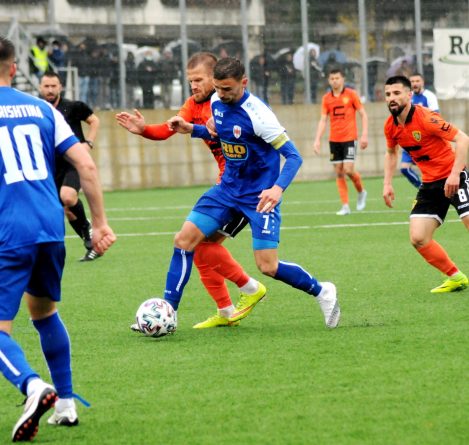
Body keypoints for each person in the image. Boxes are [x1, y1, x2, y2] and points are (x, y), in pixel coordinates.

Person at [167, 57, 340, 329]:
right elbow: (224, 136)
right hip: (227, 189)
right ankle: (168, 312)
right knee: (184, 240)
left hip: (258, 197)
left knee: (268, 266)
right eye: (217, 88)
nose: (221, 94)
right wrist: (193, 129)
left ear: (244, 83)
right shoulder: (216, 102)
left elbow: (293, 157)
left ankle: (322, 291)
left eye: (227, 89)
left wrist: (277, 189)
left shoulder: (260, 116)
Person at [0, 36, 115, 442]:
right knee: (44, 312)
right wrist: (99, 224)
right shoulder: (43, 108)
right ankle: (65, 404)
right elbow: (85, 163)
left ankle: (33, 386)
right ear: (15, 68)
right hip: (50, 228)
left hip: (8, 231)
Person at [116, 52, 266, 329]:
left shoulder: (229, 103)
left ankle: (246, 289)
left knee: (191, 242)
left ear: (215, 78)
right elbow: (170, 129)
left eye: (199, 80)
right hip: (226, 187)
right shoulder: (193, 104)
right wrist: (144, 129)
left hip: (245, 190)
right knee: (196, 246)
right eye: (190, 81)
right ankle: (226, 310)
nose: (193, 86)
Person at [383, 75, 469, 293]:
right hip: (430, 184)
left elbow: (463, 139)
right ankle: (456, 278)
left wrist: (454, 174)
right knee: (418, 238)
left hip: (454, 177)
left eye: (397, 93)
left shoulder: (426, 118)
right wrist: (387, 183)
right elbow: (391, 153)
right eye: (388, 94)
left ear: (409, 95)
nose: (391, 98)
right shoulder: (390, 126)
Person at [39, 71, 101, 261]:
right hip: (51, 167)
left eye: (53, 86)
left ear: (60, 87)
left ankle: (89, 229)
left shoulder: (73, 107)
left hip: (74, 163)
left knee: (67, 196)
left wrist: (88, 143)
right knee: (66, 209)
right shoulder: (37, 109)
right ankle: (89, 240)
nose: (50, 90)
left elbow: (94, 120)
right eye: (46, 86)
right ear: (40, 88)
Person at [313, 69, 368, 215]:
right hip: (334, 140)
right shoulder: (326, 98)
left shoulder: (351, 94)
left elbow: (363, 114)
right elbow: (323, 120)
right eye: (332, 78)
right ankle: (345, 206)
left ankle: (361, 191)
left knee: (348, 170)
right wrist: (317, 139)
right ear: (329, 81)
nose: (334, 81)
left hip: (349, 138)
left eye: (337, 78)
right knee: (338, 172)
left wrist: (364, 135)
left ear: (343, 79)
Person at [399, 73, 440, 189]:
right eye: (412, 81)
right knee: (404, 168)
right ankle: (422, 188)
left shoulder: (429, 96)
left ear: (422, 82)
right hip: (410, 140)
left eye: (417, 81)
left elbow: (436, 117)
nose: (415, 84)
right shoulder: (407, 97)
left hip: (426, 141)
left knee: (433, 170)